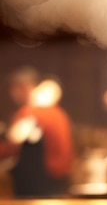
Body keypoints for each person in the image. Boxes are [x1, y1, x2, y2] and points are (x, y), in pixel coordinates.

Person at [0, 66, 75, 197]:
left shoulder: (32, 112)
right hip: (61, 182)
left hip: (42, 185)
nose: (13, 93)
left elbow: (13, 144)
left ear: (27, 86)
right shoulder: (57, 112)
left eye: (16, 88)